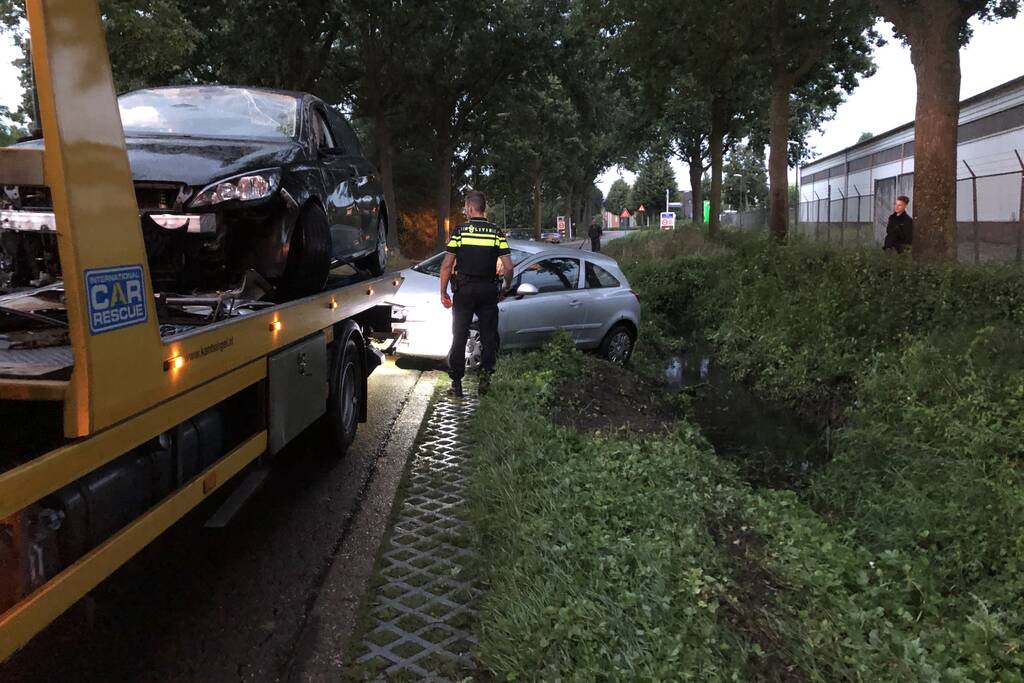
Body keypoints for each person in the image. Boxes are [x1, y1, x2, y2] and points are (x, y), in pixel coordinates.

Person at [439, 190, 513, 397]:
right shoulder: (496, 232)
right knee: (489, 335)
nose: (465, 211)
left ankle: (456, 384)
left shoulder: (460, 231)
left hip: (464, 290)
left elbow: (446, 265)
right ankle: (485, 380)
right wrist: (506, 286)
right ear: (483, 208)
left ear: (470, 208)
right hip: (488, 290)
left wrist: (443, 292)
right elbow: (508, 266)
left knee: (459, 335)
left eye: (465, 208)